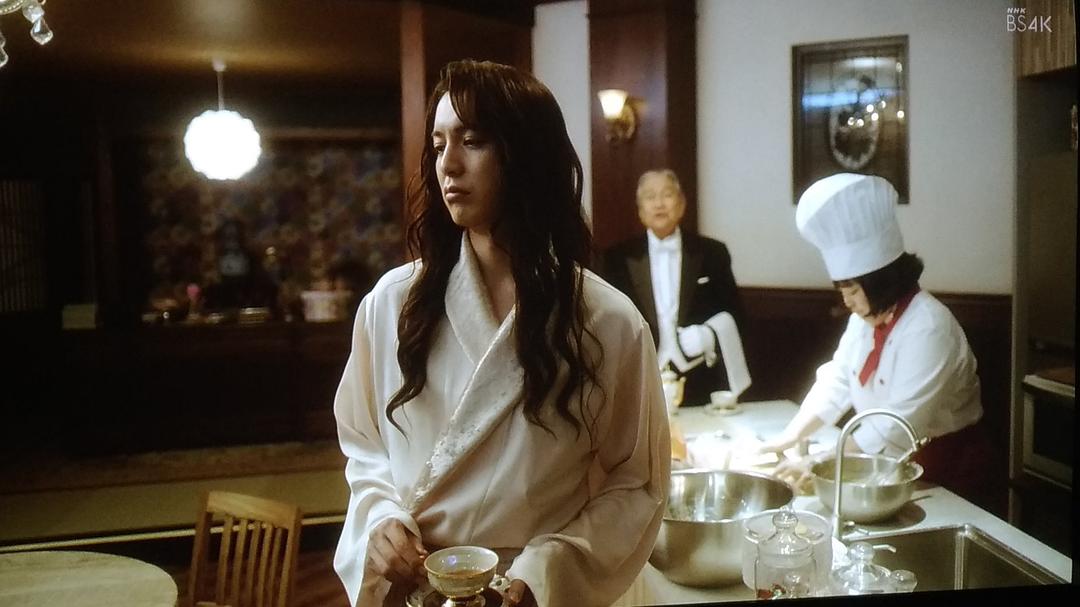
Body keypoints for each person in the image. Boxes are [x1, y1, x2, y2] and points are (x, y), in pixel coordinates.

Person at [331, 59, 670, 607]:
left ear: (526, 155)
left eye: (473, 141)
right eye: (438, 145)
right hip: (415, 585)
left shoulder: (608, 321)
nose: (449, 164)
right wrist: (380, 517)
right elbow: (363, 444)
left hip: (525, 590)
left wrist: (542, 572)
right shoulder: (392, 303)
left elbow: (636, 483)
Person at [758, 172, 990, 501]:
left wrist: (821, 462)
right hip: (884, 462)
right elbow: (838, 381)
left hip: (945, 469)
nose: (847, 301)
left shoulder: (929, 328)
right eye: (842, 290)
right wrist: (790, 436)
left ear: (881, 282)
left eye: (853, 290)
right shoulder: (867, 318)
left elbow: (895, 424)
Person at [600, 169, 750, 407]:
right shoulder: (617, 258)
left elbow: (735, 312)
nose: (659, 203)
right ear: (640, 210)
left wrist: (710, 335)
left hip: (700, 375)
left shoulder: (712, 253)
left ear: (681, 204)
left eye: (667, 195)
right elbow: (607, 322)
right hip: (640, 377)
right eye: (650, 197)